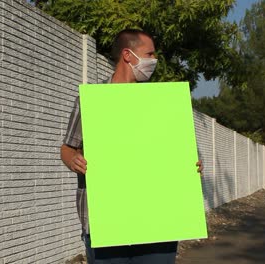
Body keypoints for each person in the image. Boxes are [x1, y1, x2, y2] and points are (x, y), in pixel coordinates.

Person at [61, 29, 203, 264]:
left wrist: (193, 165)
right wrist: (72, 159)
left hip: (158, 223)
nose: (154, 60)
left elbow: (183, 154)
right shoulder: (93, 102)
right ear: (128, 55)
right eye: (150, 54)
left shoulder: (161, 104)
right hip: (107, 222)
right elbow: (67, 148)